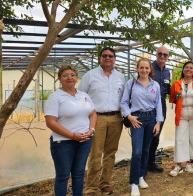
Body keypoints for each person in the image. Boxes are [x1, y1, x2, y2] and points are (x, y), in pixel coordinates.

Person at [78, 47, 125, 195]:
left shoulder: (120, 77)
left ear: (114, 58)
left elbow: (124, 98)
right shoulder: (90, 76)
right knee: (95, 154)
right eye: (104, 56)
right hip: (96, 118)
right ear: (100, 58)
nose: (108, 58)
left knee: (110, 153)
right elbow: (80, 97)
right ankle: (91, 187)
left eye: (111, 56)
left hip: (116, 118)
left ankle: (105, 183)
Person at [45, 65, 97, 196]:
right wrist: (73, 135)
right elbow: (50, 122)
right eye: (65, 75)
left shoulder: (83, 95)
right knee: (63, 176)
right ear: (59, 79)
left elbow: (93, 114)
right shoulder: (55, 97)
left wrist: (91, 130)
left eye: (73, 75)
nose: (70, 78)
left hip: (84, 140)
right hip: (63, 143)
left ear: (77, 77)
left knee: (79, 174)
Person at [121, 58, 164, 196]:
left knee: (146, 150)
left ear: (150, 69)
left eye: (147, 68)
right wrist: (129, 116)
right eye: (141, 68)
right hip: (137, 119)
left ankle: (141, 177)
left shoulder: (155, 85)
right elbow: (123, 102)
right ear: (137, 69)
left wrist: (158, 122)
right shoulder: (131, 83)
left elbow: (158, 104)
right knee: (137, 152)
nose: (144, 70)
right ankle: (133, 183)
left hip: (151, 119)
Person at [169, 61, 193, 176]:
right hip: (182, 115)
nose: (189, 69)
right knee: (180, 138)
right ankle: (178, 165)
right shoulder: (177, 83)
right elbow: (173, 98)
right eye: (186, 68)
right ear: (183, 70)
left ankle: (189, 162)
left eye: (191, 68)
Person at [147, 46, 171, 173]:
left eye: (165, 55)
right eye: (160, 54)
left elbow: (168, 90)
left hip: (162, 106)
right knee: (148, 136)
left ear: (168, 57)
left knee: (156, 136)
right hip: (149, 106)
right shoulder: (149, 68)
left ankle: (150, 163)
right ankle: (143, 165)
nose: (162, 56)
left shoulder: (167, 72)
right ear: (156, 54)